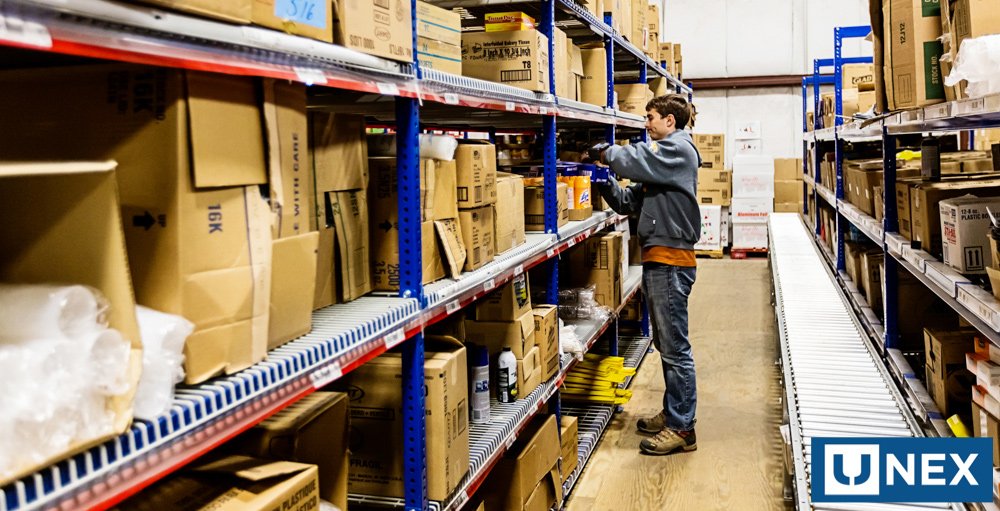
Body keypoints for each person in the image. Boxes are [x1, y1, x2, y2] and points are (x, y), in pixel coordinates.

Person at [588, 94, 702, 455]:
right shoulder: (661, 164)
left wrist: (605, 151)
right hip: (659, 258)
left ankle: (682, 428)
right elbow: (626, 201)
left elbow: (634, 159)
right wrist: (603, 179)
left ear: (670, 121)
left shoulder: (678, 150)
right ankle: (674, 415)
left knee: (674, 348)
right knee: (666, 344)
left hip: (671, 261)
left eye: (651, 117)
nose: (647, 123)